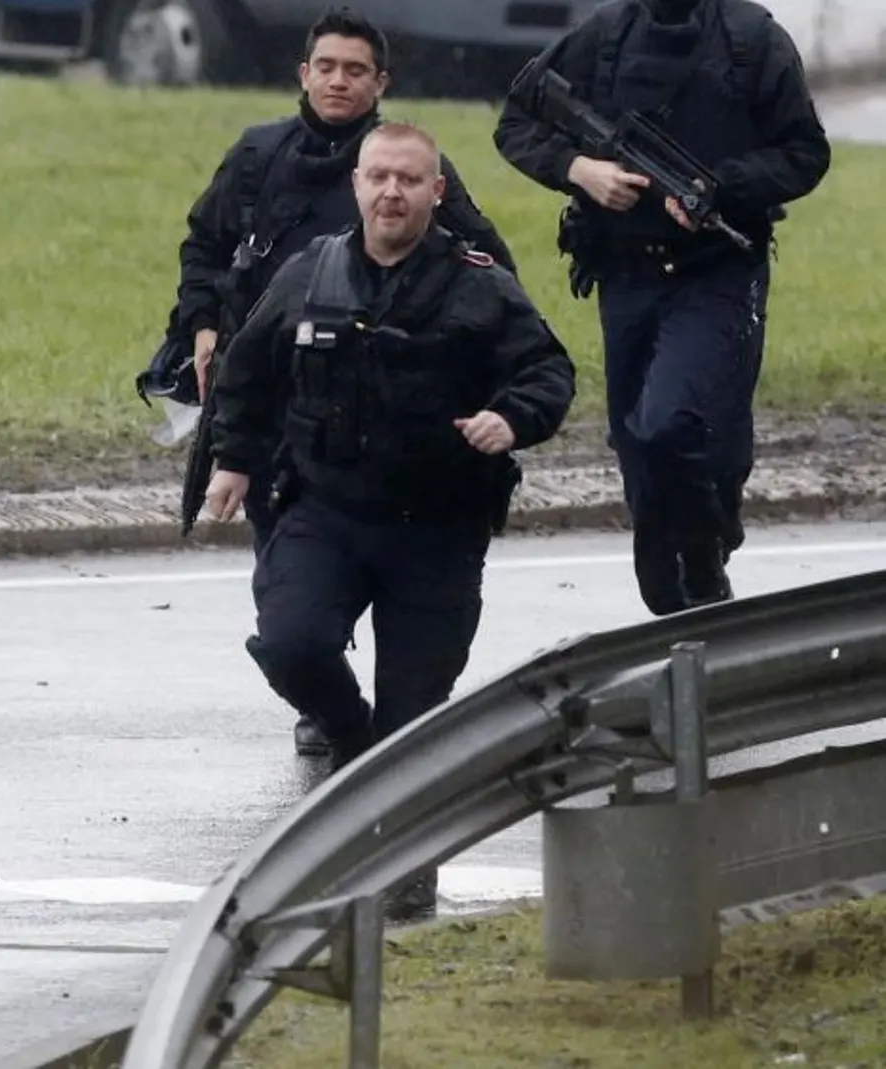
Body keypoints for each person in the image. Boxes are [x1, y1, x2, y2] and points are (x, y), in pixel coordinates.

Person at [201, 122, 578, 919]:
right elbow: (247, 371)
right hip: (326, 509)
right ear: (358, 185)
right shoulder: (311, 272)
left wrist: (509, 419)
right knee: (291, 644)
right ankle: (349, 736)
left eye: (409, 179)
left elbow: (548, 370)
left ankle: (407, 883)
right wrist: (233, 461)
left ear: (436, 192)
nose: (391, 193)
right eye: (378, 177)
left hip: (435, 528)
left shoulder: (480, 284)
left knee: (417, 719)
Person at [142, 5, 520, 758]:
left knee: (400, 581)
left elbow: (492, 273)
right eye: (327, 67)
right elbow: (206, 249)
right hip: (274, 391)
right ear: (302, 74)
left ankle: (387, 718)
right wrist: (207, 324)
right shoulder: (257, 158)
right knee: (291, 574)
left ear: (381, 83)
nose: (339, 81)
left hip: (383, 405)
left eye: (356, 70)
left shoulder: (412, 170)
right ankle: (324, 691)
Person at [492, 0, 830, 616]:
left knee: (677, 426)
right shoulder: (605, 34)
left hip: (717, 274)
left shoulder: (753, 38)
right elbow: (517, 122)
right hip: (625, 274)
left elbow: (805, 153)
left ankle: (703, 556)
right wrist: (580, 169)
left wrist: (718, 187)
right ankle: (678, 589)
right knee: (640, 446)